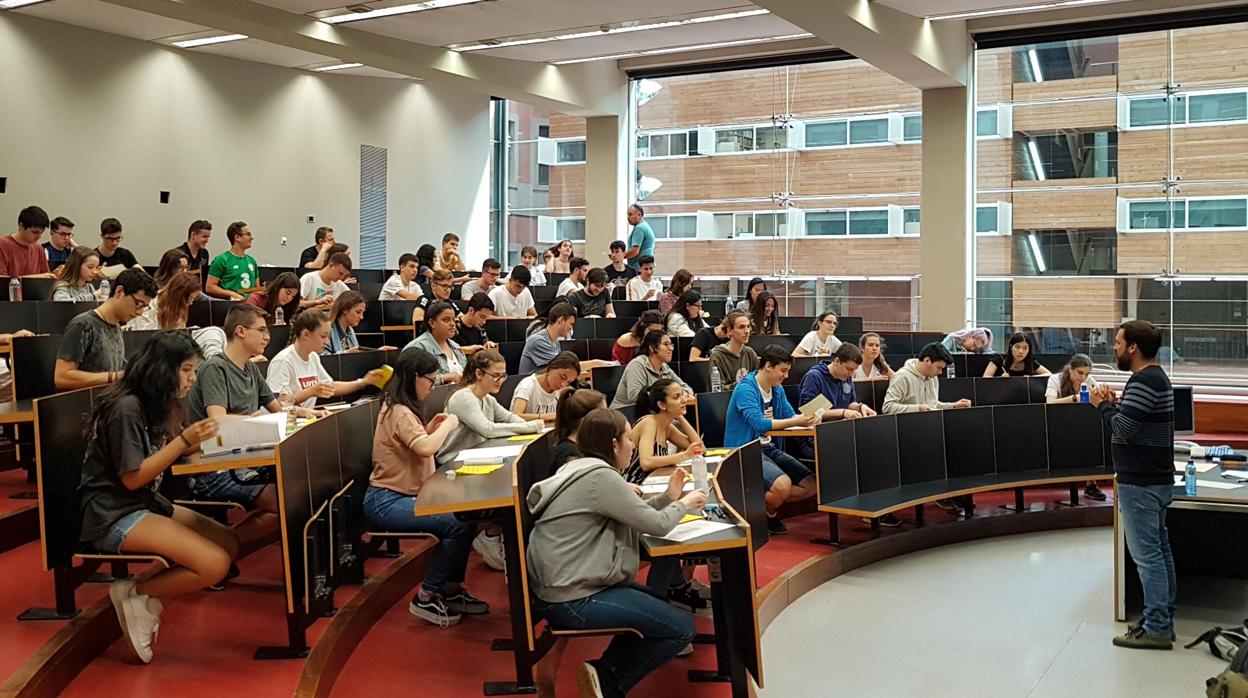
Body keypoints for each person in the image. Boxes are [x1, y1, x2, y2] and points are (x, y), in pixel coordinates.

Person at [78, 331, 239, 664]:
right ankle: (137, 594)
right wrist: (184, 442)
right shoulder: (126, 408)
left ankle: (147, 602)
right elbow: (134, 477)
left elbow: (173, 448)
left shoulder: (158, 402)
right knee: (214, 563)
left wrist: (221, 433)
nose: (193, 379)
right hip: (113, 513)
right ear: (164, 370)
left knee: (229, 544)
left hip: (144, 503)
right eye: (187, 370)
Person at [526, 409, 705, 698]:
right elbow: (656, 525)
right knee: (681, 628)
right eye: (628, 438)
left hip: (565, 583)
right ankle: (609, 686)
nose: (633, 444)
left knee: (658, 607)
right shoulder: (601, 479)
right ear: (613, 444)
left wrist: (668, 497)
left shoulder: (581, 468)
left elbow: (637, 514)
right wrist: (683, 504)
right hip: (572, 596)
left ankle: (601, 675)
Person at [364, 347, 487, 626]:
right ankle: (427, 596)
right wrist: (449, 425)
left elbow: (417, 441)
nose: (432, 387)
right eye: (430, 380)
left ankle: (451, 589)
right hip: (387, 501)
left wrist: (430, 427)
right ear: (413, 377)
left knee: (467, 517)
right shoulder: (398, 410)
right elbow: (425, 448)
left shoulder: (402, 407)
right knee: (456, 525)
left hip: (403, 494)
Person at [187, 305, 320, 552]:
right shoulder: (214, 369)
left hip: (247, 458)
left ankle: (226, 548)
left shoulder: (250, 368)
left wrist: (306, 412)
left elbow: (277, 409)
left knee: (306, 491)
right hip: (214, 467)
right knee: (290, 502)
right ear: (240, 331)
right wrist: (253, 419)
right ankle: (222, 549)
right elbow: (219, 423)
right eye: (261, 330)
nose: (267, 337)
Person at [1090, 320, 1175, 650]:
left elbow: (1123, 430)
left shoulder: (1143, 381)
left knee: (1148, 557)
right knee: (1160, 552)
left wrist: (1103, 406)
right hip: (1156, 477)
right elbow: (1135, 422)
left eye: (1118, 342)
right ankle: (1163, 618)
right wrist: (1118, 405)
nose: (1114, 347)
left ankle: (1157, 628)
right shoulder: (1156, 378)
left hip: (1140, 482)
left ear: (1133, 348)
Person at [723, 346, 820, 534]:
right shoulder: (746, 388)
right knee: (782, 486)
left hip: (768, 447)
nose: (786, 376)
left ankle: (762, 504)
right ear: (768, 366)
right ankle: (768, 515)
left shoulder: (777, 388)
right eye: (783, 370)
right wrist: (797, 420)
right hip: (745, 449)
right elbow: (758, 424)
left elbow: (789, 416)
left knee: (811, 484)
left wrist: (807, 421)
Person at [55, 269, 158, 390]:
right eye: (138, 304)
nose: (140, 312)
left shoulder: (117, 326)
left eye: (144, 307)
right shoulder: (83, 325)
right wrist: (115, 377)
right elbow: (62, 377)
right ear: (119, 291)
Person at [437, 349, 543, 466]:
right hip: (454, 461)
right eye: (495, 375)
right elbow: (487, 430)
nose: (500, 381)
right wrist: (529, 427)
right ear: (479, 374)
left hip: (477, 457)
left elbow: (510, 417)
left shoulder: (488, 398)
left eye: (503, 376)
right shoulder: (463, 397)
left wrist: (524, 425)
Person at [267, 309, 384, 408]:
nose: (327, 342)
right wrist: (310, 392)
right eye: (323, 336)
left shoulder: (313, 357)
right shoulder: (283, 361)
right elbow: (279, 404)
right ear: (306, 334)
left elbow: (329, 387)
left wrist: (363, 382)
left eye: (328, 337)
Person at [1047, 353, 1107, 502]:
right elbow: (1049, 403)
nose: (1083, 377)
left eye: (1087, 374)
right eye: (1080, 373)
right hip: (1058, 424)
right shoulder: (1055, 379)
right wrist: (1075, 398)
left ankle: (1091, 484)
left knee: (1092, 438)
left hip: (1080, 423)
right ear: (1070, 369)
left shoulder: (1088, 381)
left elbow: (1097, 399)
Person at [127, 272, 227, 359]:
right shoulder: (150, 305)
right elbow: (146, 337)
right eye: (189, 299)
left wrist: (187, 331)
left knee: (213, 333)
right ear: (179, 295)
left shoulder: (179, 308)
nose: (191, 303)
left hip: (169, 348)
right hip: (150, 350)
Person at [627, 379, 703, 484]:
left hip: (654, 483)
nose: (684, 400)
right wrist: (684, 455)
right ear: (662, 405)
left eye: (683, 394)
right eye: (676, 397)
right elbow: (646, 462)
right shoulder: (649, 423)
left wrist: (680, 416)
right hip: (634, 484)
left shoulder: (667, 427)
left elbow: (699, 448)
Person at [882, 343, 971, 414]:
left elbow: (932, 406)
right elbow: (888, 407)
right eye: (939, 368)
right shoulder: (902, 377)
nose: (940, 372)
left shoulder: (933, 377)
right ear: (927, 361)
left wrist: (954, 406)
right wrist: (918, 409)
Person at [611, 331, 692, 409]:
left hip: (652, 412)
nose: (671, 348)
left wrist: (683, 393)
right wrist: (668, 395)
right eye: (666, 344)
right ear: (652, 348)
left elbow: (686, 387)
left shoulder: (664, 367)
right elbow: (634, 396)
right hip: (625, 413)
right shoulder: (637, 364)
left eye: (671, 345)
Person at [405, 301, 467, 383]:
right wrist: (443, 378)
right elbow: (410, 381)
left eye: (453, 320)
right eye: (446, 320)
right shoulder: (417, 348)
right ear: (432, 323)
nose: (452, 324)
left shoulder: (456, 346)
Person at [511, 351, 580, 422]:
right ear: (551, 368)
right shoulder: (527, 385)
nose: (563, 384)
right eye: (562, 377)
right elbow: (515, 416)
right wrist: (542, 417)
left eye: (568, 382)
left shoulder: (561, 391)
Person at [549, 388, 608, 471]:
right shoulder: (570, 454)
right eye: (602, 414)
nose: (607, 419)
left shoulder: (586, 446)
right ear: (585, 420)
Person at [205, 221, 259, 300]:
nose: (252, 238)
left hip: (250, 306)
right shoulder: (222, 260)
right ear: (237, 237)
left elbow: (256, 288)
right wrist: (232, 294)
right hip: (231, 306)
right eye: (248, 234)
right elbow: (210, 287)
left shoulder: (252, 261)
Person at [519, 302, 576, 375]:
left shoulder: (555, 341)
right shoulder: (538, 341)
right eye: (570, 324)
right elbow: (564, 367)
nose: (571, 328)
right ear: (561, 320)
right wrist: (594, 363)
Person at [708, 311, 758, 391]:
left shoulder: (750, 353)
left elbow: (759, 380)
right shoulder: (717, 356)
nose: (747, 331)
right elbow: (717, 390)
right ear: (729, 331)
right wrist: (743, 383)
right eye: (741, 327)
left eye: (748, 326)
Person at [1, 205, 54, 278]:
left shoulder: (39, 249)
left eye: (41, 232)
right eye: (35, 232)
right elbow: (2, 281)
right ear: (21, 226)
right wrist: (35, 278)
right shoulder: (3, 245)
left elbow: (45, 280)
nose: (39, 237)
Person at [984, 332, 1051, 377]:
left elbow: (1050, 374)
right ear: (1011, 347)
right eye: (1017, 347)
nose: (1021, 351)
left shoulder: (1030, 362)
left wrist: (1032, 378)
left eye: (1025, 348)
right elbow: (984, 379)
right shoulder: (998, 359)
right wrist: (999, 379)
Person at [178, 220, 213, 289]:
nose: (207, 240)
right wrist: (198, 271)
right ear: (193, 235)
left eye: (208, 237)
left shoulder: (204, 254)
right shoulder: (177, 254)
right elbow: (176, 277)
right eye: (204, 236)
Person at [624, 203, 656, 270]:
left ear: (639, 214)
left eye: (630, 214)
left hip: (639, 268)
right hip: (645, 266)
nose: (628, 218)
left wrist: (621, 256)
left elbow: (635, 250)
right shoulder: (645, 226)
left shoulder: (639, 229)